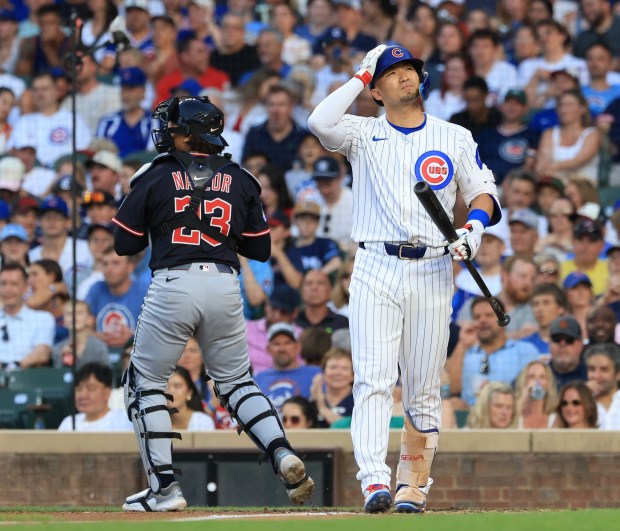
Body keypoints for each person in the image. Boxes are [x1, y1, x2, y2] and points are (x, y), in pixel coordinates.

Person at [308, 44, 501, 513]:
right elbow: (319, 121)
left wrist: (472, 230)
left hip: (435, 266)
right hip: (375, 264)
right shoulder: (360, 132)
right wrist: (360, 74)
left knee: (423, 385)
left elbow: (484, 192)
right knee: (372, 380)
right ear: (375, 90)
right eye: (390, 73)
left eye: (408, 68)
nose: (403, 77)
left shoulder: (453, 135)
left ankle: (413, 484)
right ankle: (374, 480)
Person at [112, 95, 314, 511]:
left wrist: (169, 218)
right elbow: (260, 248)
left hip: (173, 282)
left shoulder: (154, 173)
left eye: (173, 127)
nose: (167, 131)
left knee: (143, 383)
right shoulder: (241, 178)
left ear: (189, 133)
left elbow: (123, 242)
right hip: (225, 284)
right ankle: (281, 451)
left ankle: (164, 488)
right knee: (238, 382)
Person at [85, 248, 148, 349]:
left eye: (115, 263)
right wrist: (97, 337)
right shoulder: (96, 289)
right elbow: (82, 327)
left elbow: (156, 332)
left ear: (130, 267)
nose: (109, 269)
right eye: (105, 264)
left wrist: (133, 337)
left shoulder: (145, 293)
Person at [254, 322, 323, 410]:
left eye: (287, 343)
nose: (282, 349)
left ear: (298, 347)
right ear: (268, 349)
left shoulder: (316, 374)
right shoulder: (258, 379)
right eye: (276, 344)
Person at [0, 262, 55, 369]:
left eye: (14, 284)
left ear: (25, 287)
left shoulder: (42, 318)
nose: (8, 289)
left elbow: (42, 354)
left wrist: (11, 366)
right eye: (3, 283)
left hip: (28, 379)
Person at [58, 363, 133, 432]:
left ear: (107, 392)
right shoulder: (68, 423)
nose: (83, 395)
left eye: (91, 389)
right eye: (78, 389)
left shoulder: (126, 421)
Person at [52, 299, 109, 370]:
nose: (74, 317)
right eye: (69, 314)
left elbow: (107, 376)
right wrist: (61, 359)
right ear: (63, 321)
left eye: (79, 313)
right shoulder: (58, 349)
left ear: (90, 320)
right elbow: (55, 377)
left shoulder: (98, 347)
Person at [310, 347, 354, 427]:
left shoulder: (359, 402)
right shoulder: (313, 402)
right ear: (323, 372)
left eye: (345, 368)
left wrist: (322, 408)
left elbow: (347, 428)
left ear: (353, 375)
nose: (338, 373)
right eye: (333, 367)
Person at [296, 269, 349, 333]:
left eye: (320, 283)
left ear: (330, 291)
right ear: (301, 291)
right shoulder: (293, 321)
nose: (314, 288)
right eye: (309, 283)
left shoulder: (342, 323)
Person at [522, 283, 567, 356]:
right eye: (536, 304)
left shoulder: (569, 343)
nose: (540, 309)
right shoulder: (524, 346)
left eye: (546, 303)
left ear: (560, 308)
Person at [167, 366, 216, 431]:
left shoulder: (203, 422)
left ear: (189, 392)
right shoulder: (154, 422)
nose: (171, 391)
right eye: (166, 386)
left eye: (177, 386)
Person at [584, 342, 620, 430]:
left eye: (604, 369)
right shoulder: (578, 403)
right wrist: (582, 393)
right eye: (592, 369)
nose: (596, 376)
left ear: (618, 374)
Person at [514, 360, 558, 429]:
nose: (537, 381)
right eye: (532, 377)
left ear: (548, 383)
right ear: (524, 381)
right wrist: (523, 399)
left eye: (542, 377)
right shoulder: (516, 415)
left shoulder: (555, 418)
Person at [549, 316, 587, 389]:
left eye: (569, 340)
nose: (562, 344)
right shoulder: (541, 376)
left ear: (581, 345)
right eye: (557, 339)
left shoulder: (590, 375)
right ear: (549, 343)